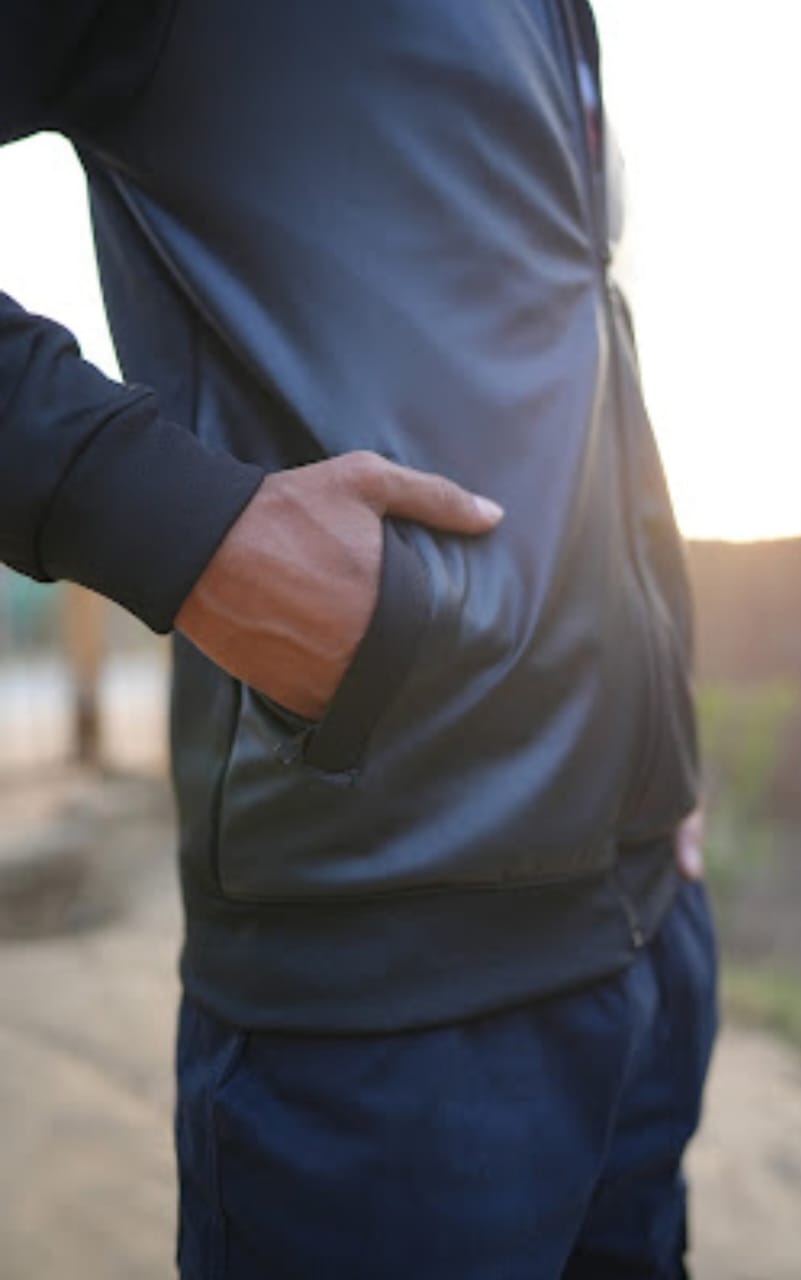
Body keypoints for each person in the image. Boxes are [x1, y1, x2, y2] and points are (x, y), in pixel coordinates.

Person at [1, 3, 717, 1276]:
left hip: (651, 937)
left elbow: (581, 349)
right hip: (379, 1014)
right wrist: (175, 521)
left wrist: (669, 743)